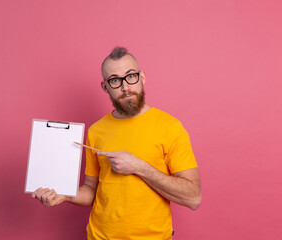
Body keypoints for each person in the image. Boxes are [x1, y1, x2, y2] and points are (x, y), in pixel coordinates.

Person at [32, 47, 202, 240]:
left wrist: (139, 167)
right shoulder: (97, 130)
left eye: (131, 76)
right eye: (115, 80)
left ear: (142, 77)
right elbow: (91, 190)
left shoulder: (170, 127)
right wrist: (65, 195)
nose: (125, 87)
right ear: (105, 87)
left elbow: (193, 198)